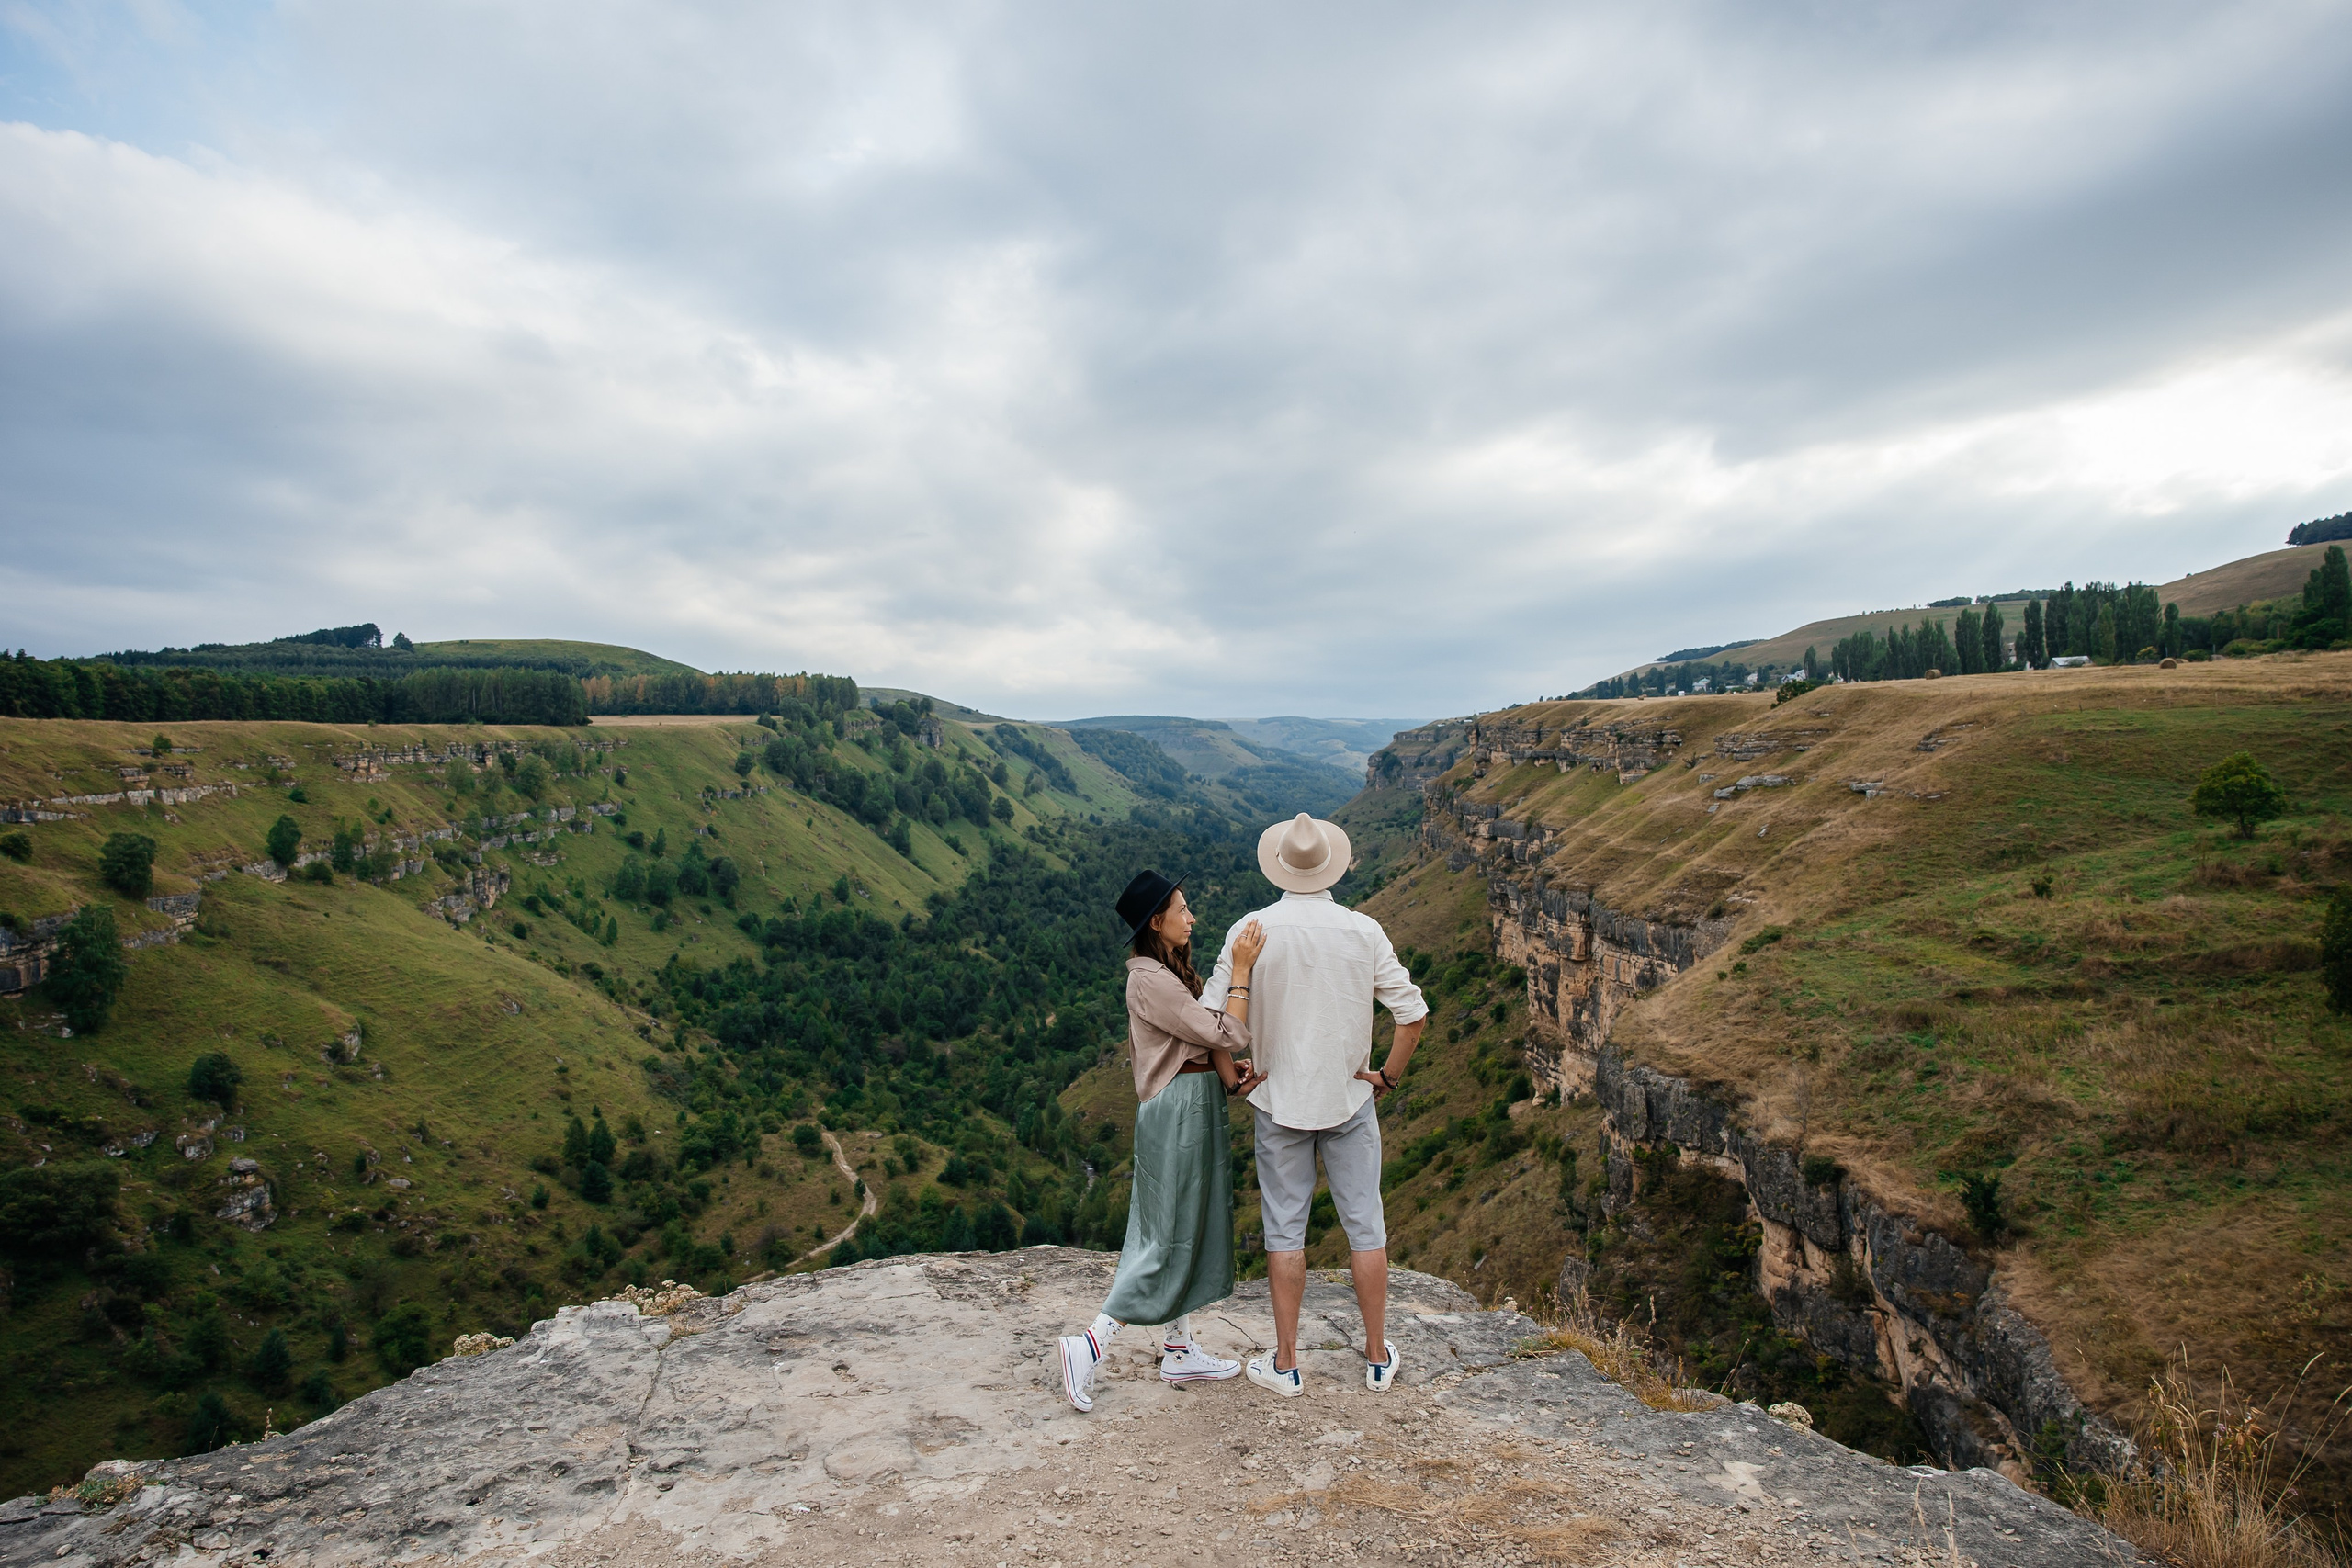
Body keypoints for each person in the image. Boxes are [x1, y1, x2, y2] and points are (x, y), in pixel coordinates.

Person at [1202, 812, 1427, 1398]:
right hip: (1349, 1098)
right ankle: (1376, 1357)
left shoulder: (1250, 930)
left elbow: (1211, 1019)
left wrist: (1231, 1078)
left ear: (1279, 866)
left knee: (1284, 1232)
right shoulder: (1363, 930)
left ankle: (1286, 1364)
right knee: (1366, 1227)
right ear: (1332, 866)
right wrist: (1387, 1077)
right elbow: (1412, 1015)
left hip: (1277, 1099)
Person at [1053, 869, 1267, 1413]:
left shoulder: (1163, 974)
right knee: (1167, 1232)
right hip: (1179, 1112)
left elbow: (1197, 1045)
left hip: (1190, 1101)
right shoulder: (1151, 980)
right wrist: (1241, 971)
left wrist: (1227, 1079)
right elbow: (1225, 1032)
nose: (1191, 918)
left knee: (1184, 1224)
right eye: (1182, 910)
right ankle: (1091, 1344)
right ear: (1156, 922)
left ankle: (1178, 1347)